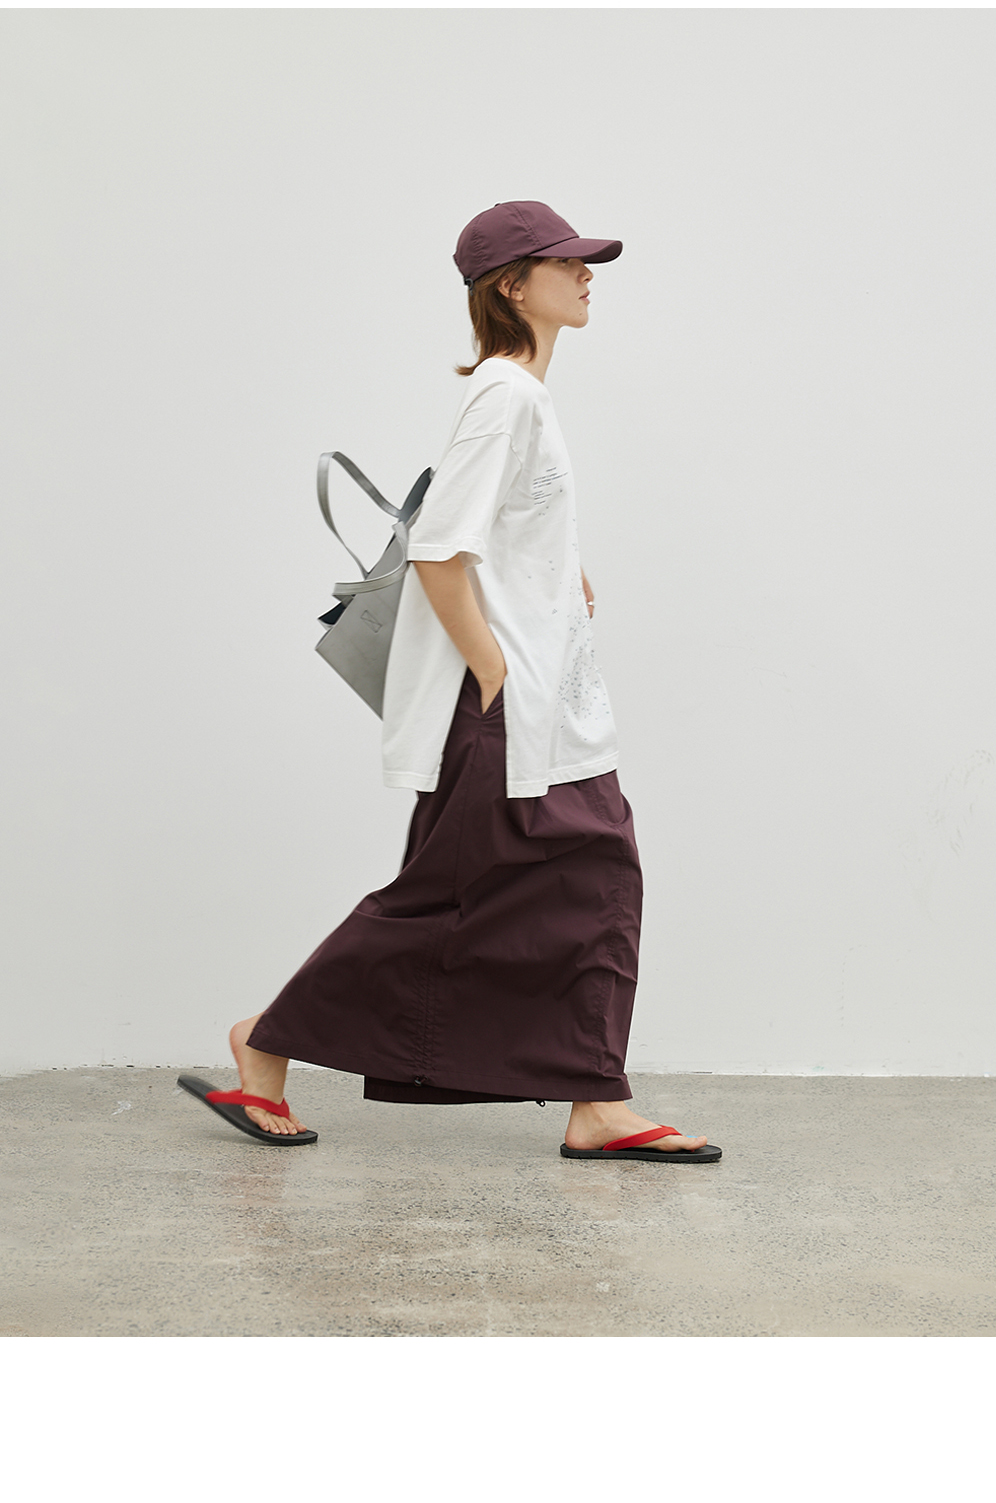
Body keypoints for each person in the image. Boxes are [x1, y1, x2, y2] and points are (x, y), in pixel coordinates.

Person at [180, 201, 721, 1165]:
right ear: (512, 286)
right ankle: (264, 1042)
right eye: (566, 262)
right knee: (465, 899)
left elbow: (498, 530)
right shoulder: (507, 395)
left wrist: (560, 567)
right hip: (510, 709)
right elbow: (439, 549)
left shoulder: (524, 397)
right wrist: (495, 669)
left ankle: (594, 1099)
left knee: (573, 884)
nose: (587, 275)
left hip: (546, 710)